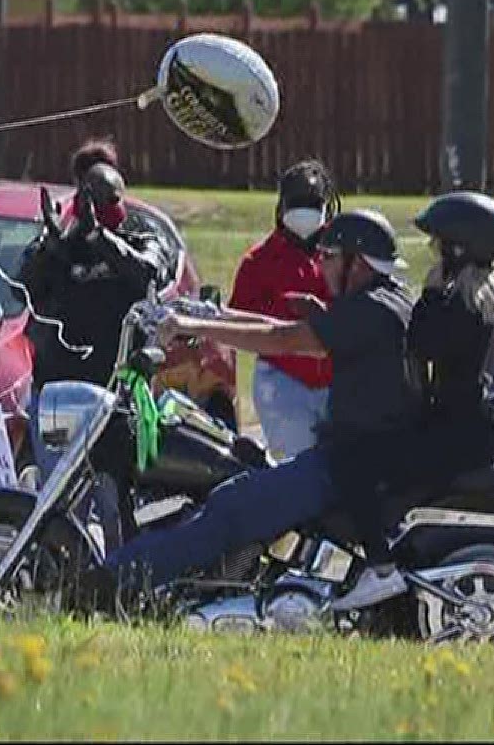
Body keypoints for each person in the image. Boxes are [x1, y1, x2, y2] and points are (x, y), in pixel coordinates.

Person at [93, 210, 428, 612]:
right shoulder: (388, 299)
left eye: (329, 257)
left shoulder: (370, 311)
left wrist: (193, 327)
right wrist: (214, 316)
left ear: (356, 262)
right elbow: (284, 329)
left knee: (230, 506)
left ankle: (108, 582)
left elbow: (284, 340)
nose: (320, 266)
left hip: (346, 465)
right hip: (362, 457)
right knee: (238, 476)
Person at [17, 140, 172, 547]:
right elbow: (26, 288)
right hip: (60, 390)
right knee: (60, 496)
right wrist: (53, 245)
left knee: (114, 498)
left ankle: (119, 578)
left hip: (115, 390)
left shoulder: (140, 232)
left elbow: (148, 273)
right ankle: (60, 576)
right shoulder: (64, 240)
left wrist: (102, 237)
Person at [407, 190, 494, 493]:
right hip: (489, 434)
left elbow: (422, 344)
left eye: (438, 242)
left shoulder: (464, 305)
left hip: (454, 438)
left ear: (457, 249)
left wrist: (431, 294)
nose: (433, 247)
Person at [228, 160, 340, 458]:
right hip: (283, 381)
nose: (305, 211)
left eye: (313, 203)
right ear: (281, 206)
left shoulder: (343, 254)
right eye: (298, 203)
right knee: (298, 464)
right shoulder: (258, 261)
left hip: (338, 379)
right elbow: (238, 320)